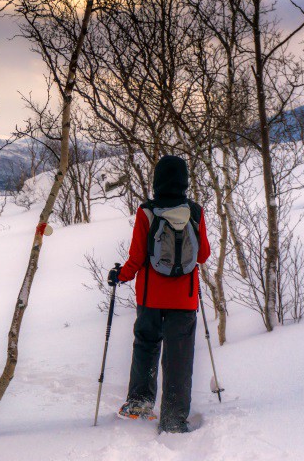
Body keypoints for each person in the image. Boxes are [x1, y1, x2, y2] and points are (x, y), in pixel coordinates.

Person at [107, 155, 211, 434]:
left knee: (146, 346)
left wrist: (120, 275)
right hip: (184, 300)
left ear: (157, 180)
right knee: (179, 357)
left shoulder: (147, 212)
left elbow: (138, 257)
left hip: (151, 298)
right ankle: (174, 419)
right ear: (185, 180)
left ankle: (140, 404)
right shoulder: (196, 212)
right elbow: (202, 255)